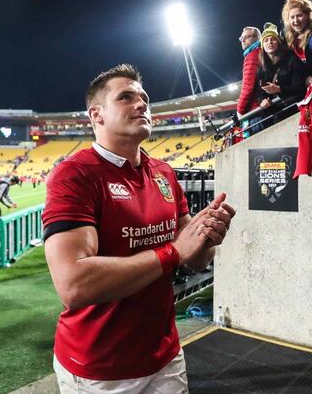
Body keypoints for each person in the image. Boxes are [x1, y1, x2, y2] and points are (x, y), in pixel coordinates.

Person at [43, 64, 235, 393]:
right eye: (126, 97)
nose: (142, 103)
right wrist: (172, 252)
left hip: (165, 354)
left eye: (144, 97)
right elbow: (73, 284)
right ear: (97, 115)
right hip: (100, 366)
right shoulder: (75, 175)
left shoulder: (163, 173)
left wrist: (207, 235)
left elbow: (197, 260)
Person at [255, 23, 308, 112]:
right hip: (278, 112)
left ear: (279, 42)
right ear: (262, 46)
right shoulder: (261, 69)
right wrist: (263, 101)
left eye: (273, 39)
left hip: (296, 107)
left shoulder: (291, 58)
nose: (270, 42)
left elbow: (300, 86)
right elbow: (260, 94)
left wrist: (279, 89)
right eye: (266, 40)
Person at [236, 26, 262, 138]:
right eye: (242, 38)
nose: (243, 40)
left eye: (247, 37)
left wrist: (240, 110)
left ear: (257, 38)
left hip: (256, 111)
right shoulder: (260, 52)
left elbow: (248, 86)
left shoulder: (252, 55)